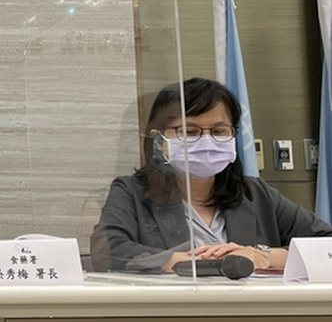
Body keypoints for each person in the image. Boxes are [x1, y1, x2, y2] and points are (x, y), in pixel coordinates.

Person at [91, 77, 332, 272]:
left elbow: (327, 244)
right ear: (159, 140)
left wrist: (266, 256)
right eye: (189, 131)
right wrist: (170, 261)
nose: (206, 141)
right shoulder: (131, 193)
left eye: (218, 131)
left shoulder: (256, 193)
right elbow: (107, 252)